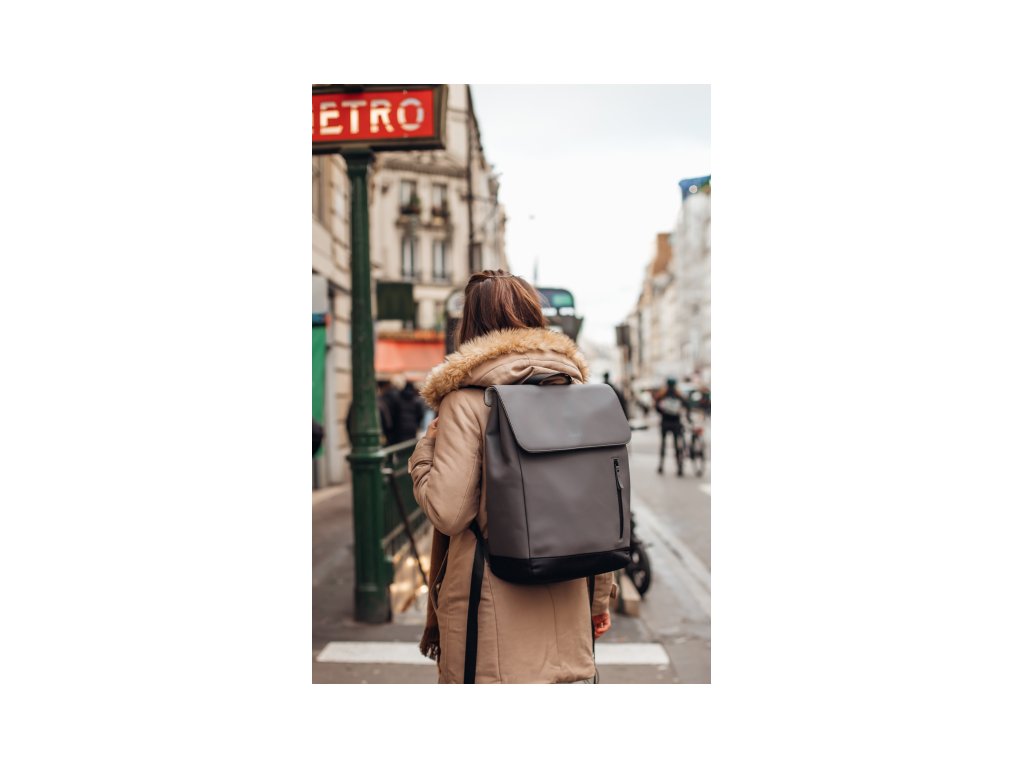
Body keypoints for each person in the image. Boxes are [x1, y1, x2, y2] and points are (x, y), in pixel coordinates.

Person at [408, 269, 616, 684]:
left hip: (491, 612)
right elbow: (597, 515)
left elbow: (449, 512)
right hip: (570, 593)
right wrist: (598, 601)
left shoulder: (467, 402)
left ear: (469, 326)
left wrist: (424, 452)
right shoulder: (581, 397)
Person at [654, 376, 689, 476]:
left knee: (663, 444)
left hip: (665, 422)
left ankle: (661, 465)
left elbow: (656, 406)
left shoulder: (662, 395)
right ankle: (679, 467)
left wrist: (663, 412)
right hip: (676, 422)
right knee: (676, 445)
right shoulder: (678, 395)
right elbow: (686, 405)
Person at [384, 376, 426, 444]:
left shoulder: (397, 399)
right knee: (409, 446)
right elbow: (420, 415)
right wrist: (417, 425)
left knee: (400, 446)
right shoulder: (417, 401)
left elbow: (393, 414)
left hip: (399, 428)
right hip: (412, 428)